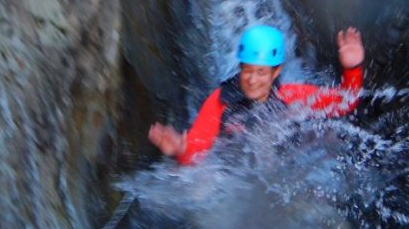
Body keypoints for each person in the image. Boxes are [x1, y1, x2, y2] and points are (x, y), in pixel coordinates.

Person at [148, 25, 365, 165]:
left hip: (285, 168)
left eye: (261, 72)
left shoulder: (289, 96)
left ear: (276, 72)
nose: (252, 80)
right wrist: (180, 149)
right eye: (247, 70)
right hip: (235, 178)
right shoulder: (220, 101)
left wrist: (352, 70)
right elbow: (197, 151)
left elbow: (343, 104)